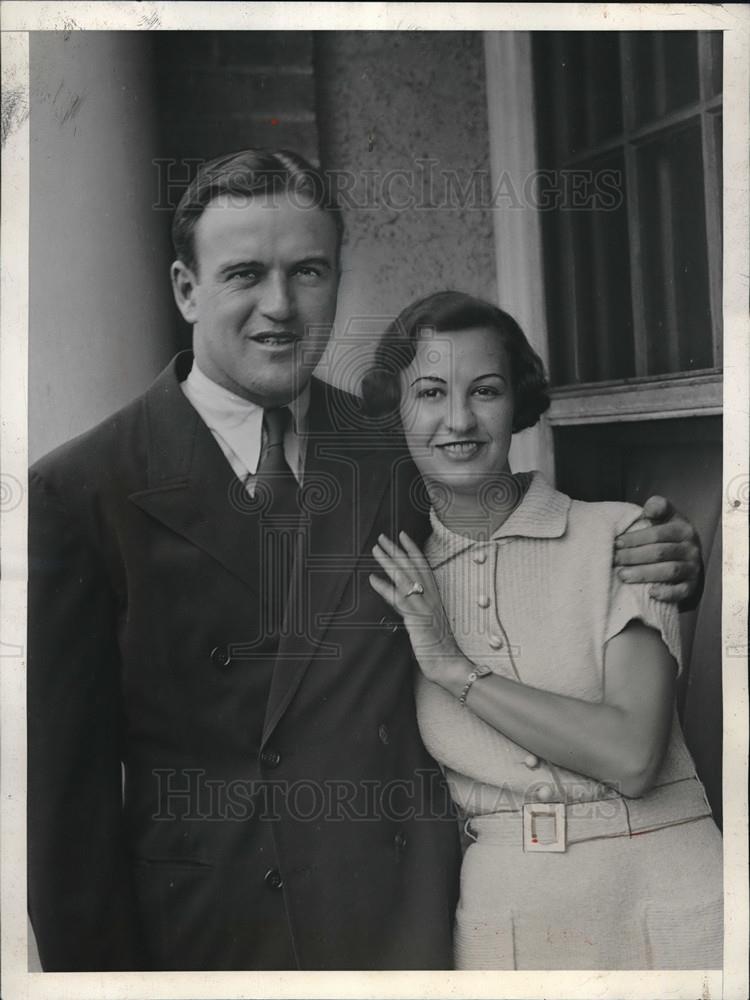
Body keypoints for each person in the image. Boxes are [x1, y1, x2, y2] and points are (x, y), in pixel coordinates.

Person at [27, 149, 704, 972]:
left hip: (401, 928)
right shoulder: (84, 489)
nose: (280, 306)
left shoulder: (398, 449)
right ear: (185, 289)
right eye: (245, 273)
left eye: (308, 271)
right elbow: (64, 812)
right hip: (210, 939)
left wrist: (660, 552)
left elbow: (518, 543)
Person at [364, 290, 723, 970]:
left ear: (519, 403)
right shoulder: (392, 576)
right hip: (510, 918)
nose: (459, 419)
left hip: (671, 894)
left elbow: (631, 755)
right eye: (432, 392)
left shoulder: (621, 535)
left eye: (486, 390)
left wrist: (453, 669)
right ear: (397, 410)